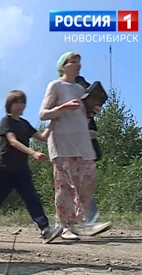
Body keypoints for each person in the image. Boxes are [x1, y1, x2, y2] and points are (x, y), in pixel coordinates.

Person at [39, 51, 111, 237]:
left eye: (79, 61)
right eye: (73, 61)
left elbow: (82, 118)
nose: (78, 64)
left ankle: (86, 221)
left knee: (88, 180)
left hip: (82, 142)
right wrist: (63, 107)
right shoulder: (55, 86)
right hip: (62, 141)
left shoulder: (81, 91)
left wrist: (91, 113)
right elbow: (43, 114)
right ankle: (66, 226)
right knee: (64, 186)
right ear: (63, 66)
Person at [0, 90, 61, 243]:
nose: (20, 106)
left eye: (22, 102)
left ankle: (45, 229)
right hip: (4, 169)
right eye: (16, 102)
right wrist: (32, 153)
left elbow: (43, 138)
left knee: (32, 199)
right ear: (9, 105)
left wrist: (54, 121)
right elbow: (13, 141)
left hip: (21, 170)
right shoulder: (6, 121)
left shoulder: (24, 124)